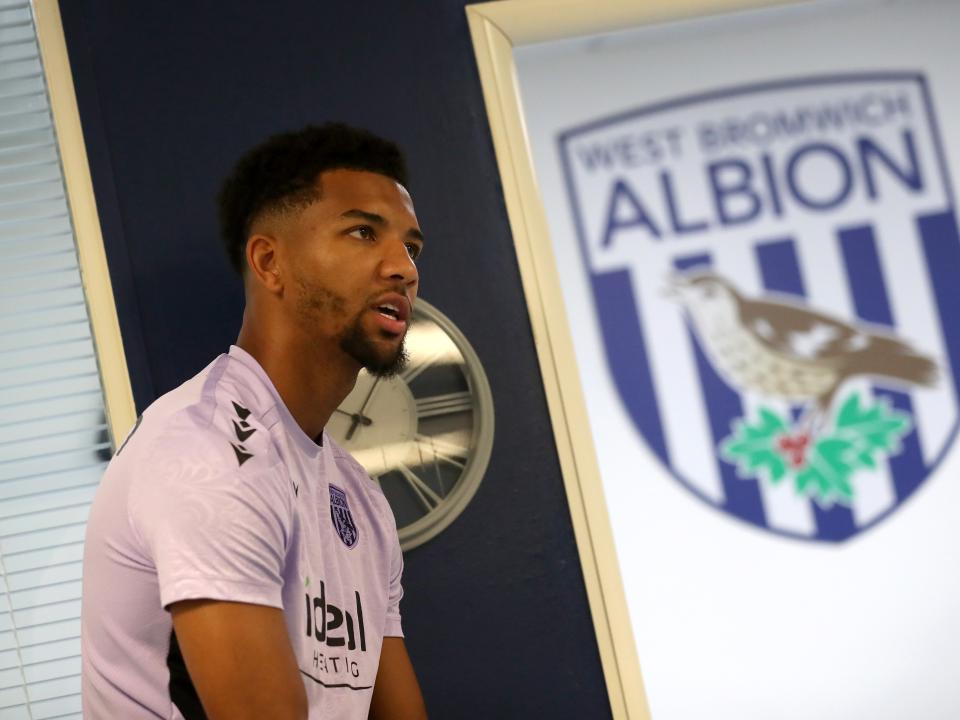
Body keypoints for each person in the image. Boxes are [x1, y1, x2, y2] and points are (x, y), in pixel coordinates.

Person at [81, 123, 429, 720]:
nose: (402, 267)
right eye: (363, 232)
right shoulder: (206, 451)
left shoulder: (359, 498)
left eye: (412, 247)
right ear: (270, 263)